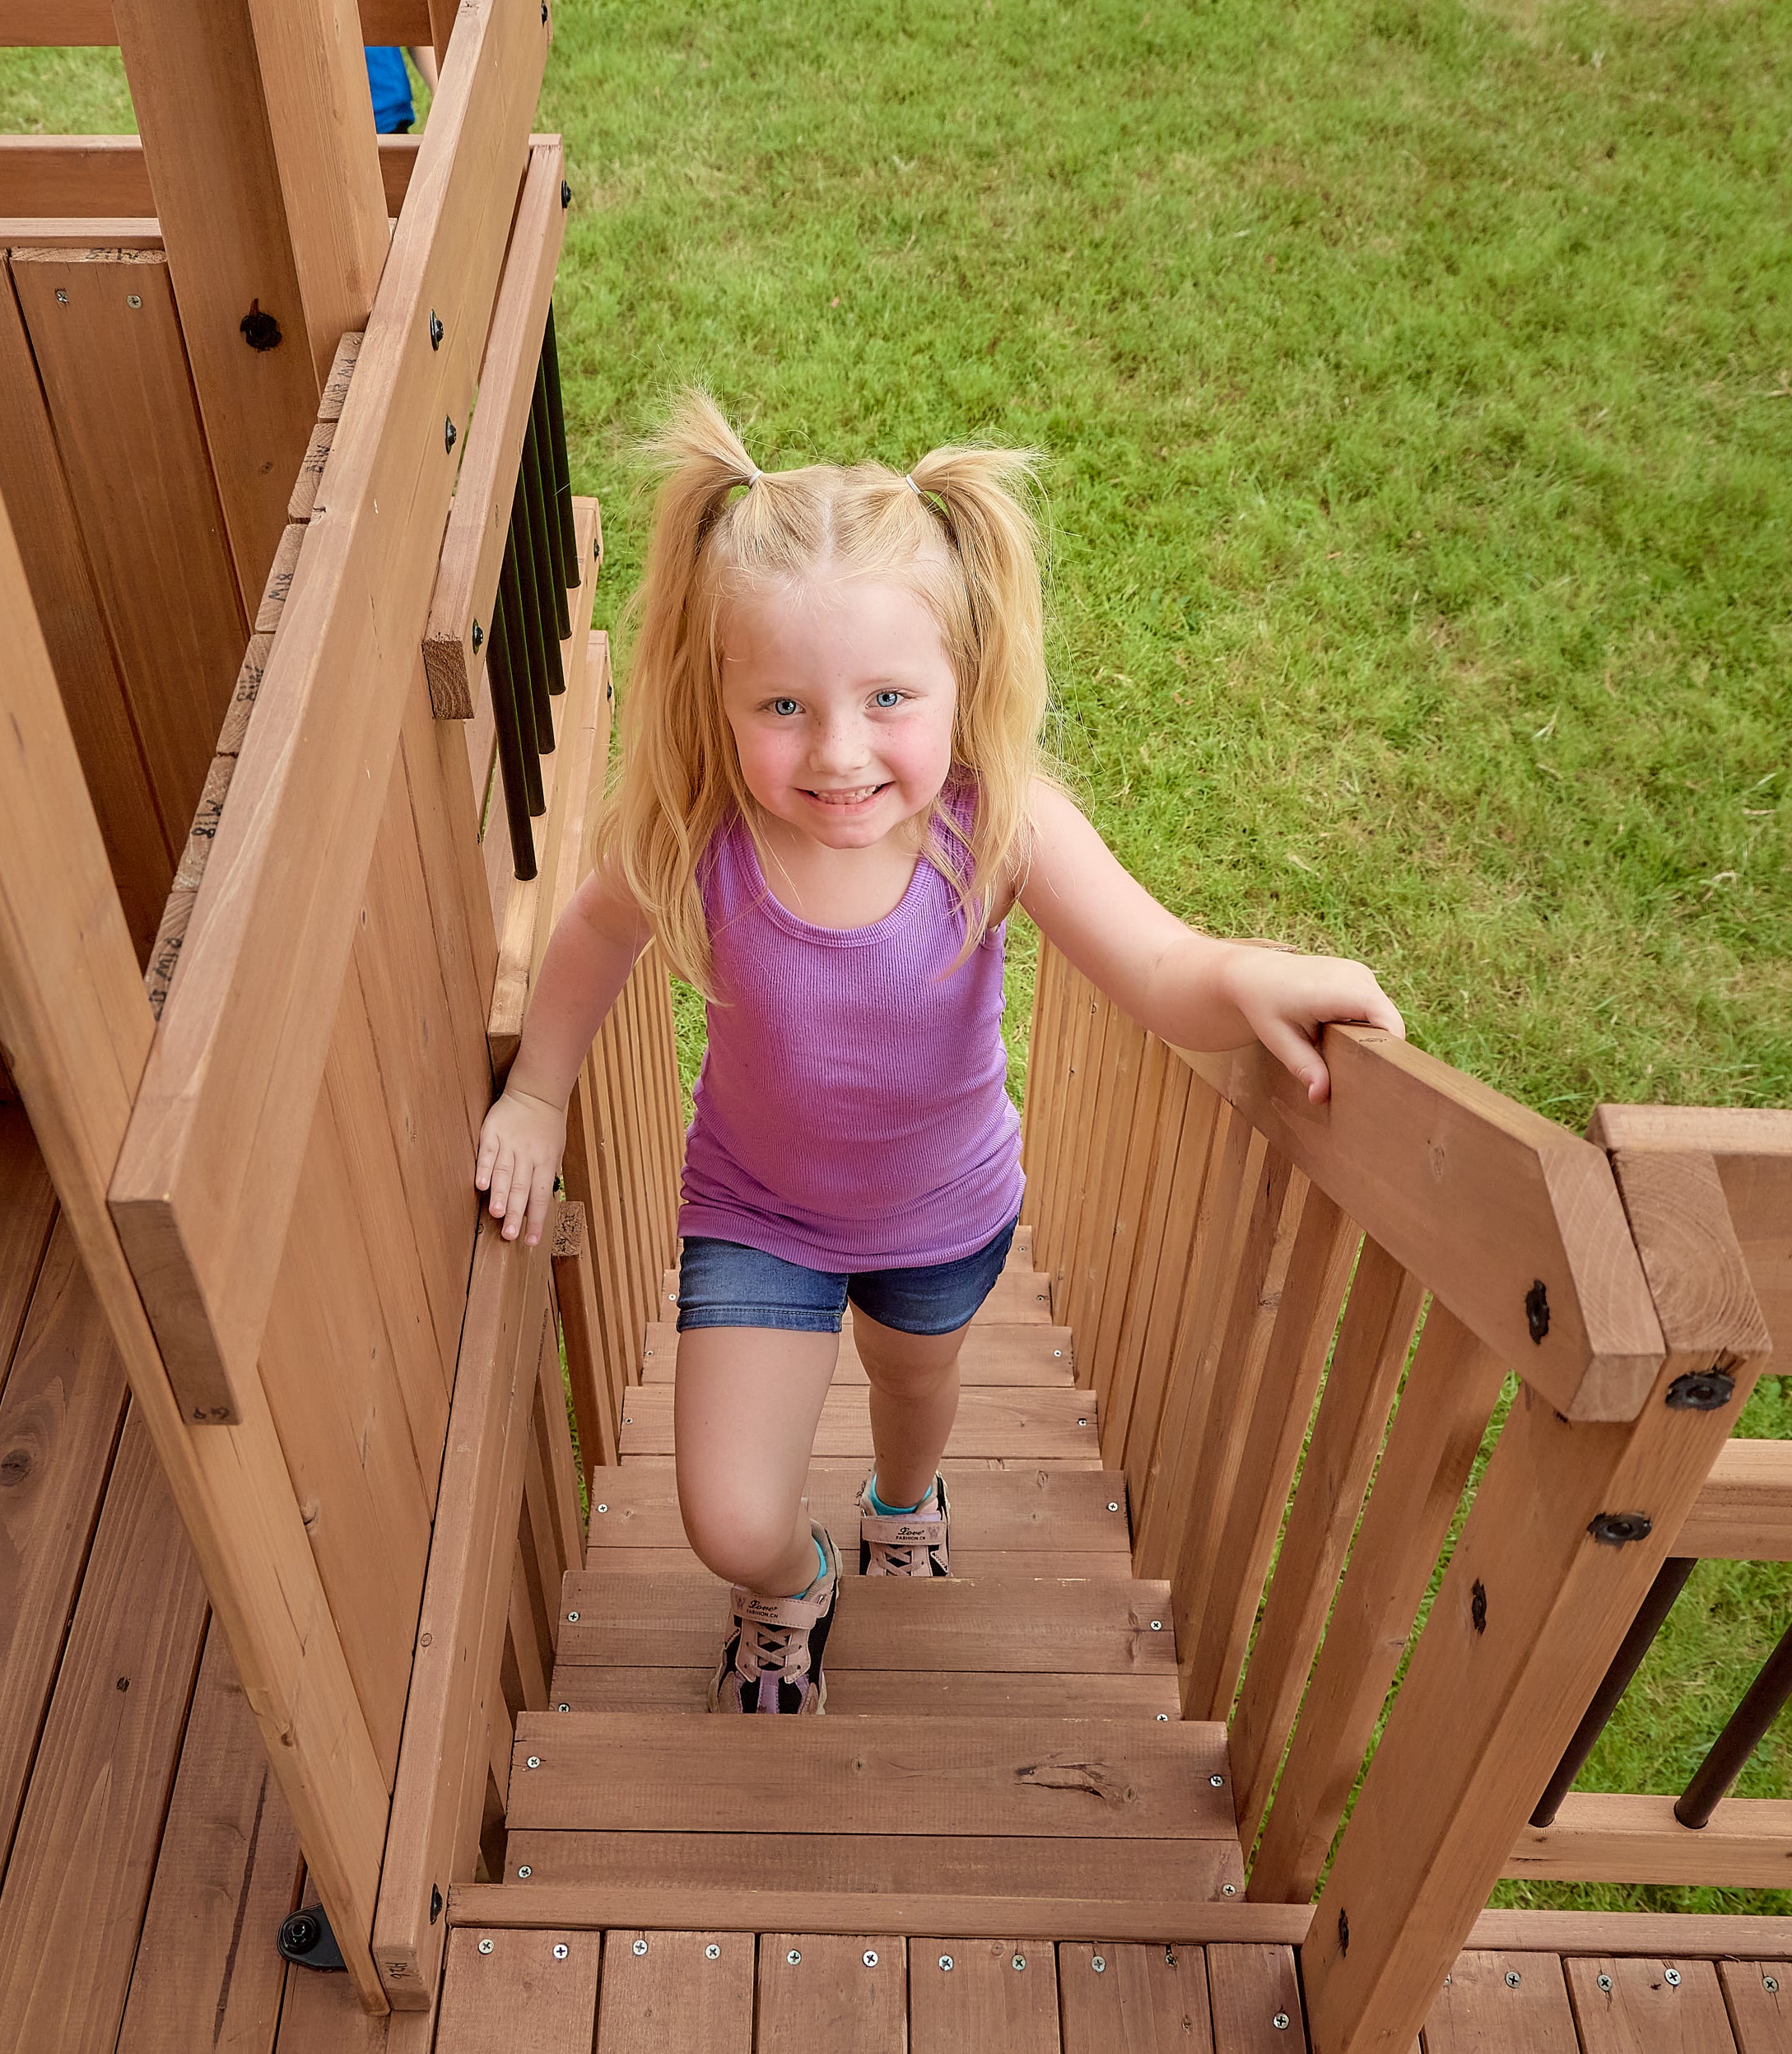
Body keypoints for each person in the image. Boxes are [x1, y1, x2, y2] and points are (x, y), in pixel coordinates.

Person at [473, 391, 1403, 1715]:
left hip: (945, 1210)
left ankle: (900, 1499)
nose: (840, 753)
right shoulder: (697, 831)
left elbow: (1155, 966)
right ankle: (793, 1583)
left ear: (963, 684)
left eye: (889, 698)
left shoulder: (999, 825)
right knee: (726, 1519)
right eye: (784, 704)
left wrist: (1248, 972)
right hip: (759, 1213)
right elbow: (587, 941)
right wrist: (537, 1091)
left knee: (918, 1385)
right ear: (717, 693)